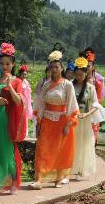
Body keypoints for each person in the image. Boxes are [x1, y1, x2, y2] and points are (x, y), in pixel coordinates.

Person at [0, 43, 31, 196]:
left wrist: (10, 86)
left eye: (8, 63)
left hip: (8, 122)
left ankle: (14, 182)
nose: (5, 66)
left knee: (8, 151)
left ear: (13, 64)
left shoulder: (17, 82)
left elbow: (19, 102)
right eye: (2, 63)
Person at [30, 57, 78, 188]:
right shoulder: (46, 84)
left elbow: (72, 105)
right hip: (46, 119)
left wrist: (68, 124)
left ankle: (58, 179)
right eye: (52, 67)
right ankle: (39, 180)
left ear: (61, 68)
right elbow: (40, 103)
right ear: (49, 69)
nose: (54, 70)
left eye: (57, 67)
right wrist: (39, 122)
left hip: (61, 121)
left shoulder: (67, 85)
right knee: (42, 148)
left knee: (59, 149)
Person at [71, 58, 98, 178]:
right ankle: (70, 166)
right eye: (76, 74)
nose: (78, 77)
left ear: (85, 74)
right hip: (71, 119)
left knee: (84, 143)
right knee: (72, 143)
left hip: (84, 120)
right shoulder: (70, 85)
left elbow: (96, 105)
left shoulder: (90, 88)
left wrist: (86, 114)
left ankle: (82, 168)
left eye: (81, 75)